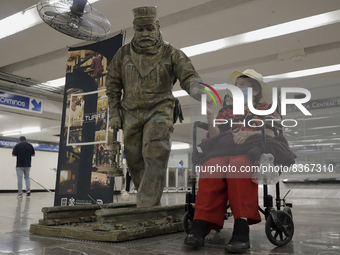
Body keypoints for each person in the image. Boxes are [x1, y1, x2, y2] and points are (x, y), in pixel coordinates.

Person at [106, 6, 205, 207]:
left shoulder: (171, 53)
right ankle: (150, 201)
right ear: (134, 29)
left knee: (155, 151)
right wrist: (114, 113)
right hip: (130, 112)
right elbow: (113, 85)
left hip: (160, 109)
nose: (144, 33)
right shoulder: (123, 54)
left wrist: (198, 90)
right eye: (140, 29)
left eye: (149, 28)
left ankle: (145, 204)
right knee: (134, 160)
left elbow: (189, 76)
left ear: (157, 27)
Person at [184, 69, 276, 253]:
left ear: (255, 91)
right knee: (211, 166)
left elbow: (274, 132)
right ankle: (200, 224)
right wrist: (211, 116)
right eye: (237, 86)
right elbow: (214, 135)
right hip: (224, 148)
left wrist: (251, 132)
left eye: (243, 85)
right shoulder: (226, 110)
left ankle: (241, 227)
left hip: (248, 150)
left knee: (239, 165)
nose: (238, 88)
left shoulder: (266, 108)